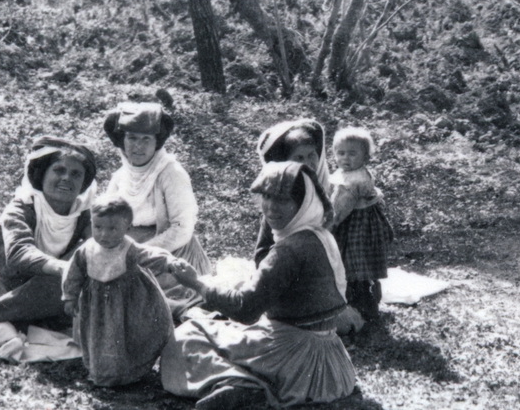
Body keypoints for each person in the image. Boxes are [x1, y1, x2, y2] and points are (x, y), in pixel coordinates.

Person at [160, 161, 355, 409]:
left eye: (283, 200)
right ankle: (246, 384)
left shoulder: (289, 249)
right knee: (218, 326)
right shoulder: (319, 235)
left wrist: (196, 283)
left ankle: (243, 385)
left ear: (302, 202)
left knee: (189, 334)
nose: (271, 207)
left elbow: (245, 310)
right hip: (331, 363)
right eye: (266, 197)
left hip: (293, 356)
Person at [0, 135, 100, 330]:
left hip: (50, 286)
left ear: (83, 182)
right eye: (59, 170)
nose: (67, 178)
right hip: (12, 282)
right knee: (60, 284)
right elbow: (19, 253)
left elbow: (99, 245)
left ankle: (28, 318)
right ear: (42, 175)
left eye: (76, 174)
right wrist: (63, 268)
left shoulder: (82, 213)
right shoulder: (22, 207)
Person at [62, 194, 198, 387]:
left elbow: (149, 254)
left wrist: (169, 262)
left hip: (127, 302)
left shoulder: (128, 248)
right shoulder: (86, 251)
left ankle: (129, 369)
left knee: (126, 335)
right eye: (98, 227)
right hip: (97, 306)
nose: (103, 234)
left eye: (112, 229)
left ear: (127, 228)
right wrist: (70, 296)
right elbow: (73, 273)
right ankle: (103, 371)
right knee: (101, 336)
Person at [102, 101, 212, 276]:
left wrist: (137, 253)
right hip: (129, 251)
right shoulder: (120, 176)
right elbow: (105, 219)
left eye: (146, 139)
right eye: (132, 138)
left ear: (157, 142)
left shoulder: (171, 173)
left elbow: (182, 229)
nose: (138, 146)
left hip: (172, 256)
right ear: (122, 141)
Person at [328, 126, 392, 323]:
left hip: (357, 224)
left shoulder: (352, 181)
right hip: (362, 220)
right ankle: (363, 300)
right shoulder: (349, 173)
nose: (346, 158)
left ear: (365, 157)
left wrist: (330, 224)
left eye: (352, 154)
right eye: (341, 153)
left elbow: (340, 209)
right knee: (358, 263)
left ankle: (363, 305)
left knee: (354, 262)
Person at [252, 118, 328, 264]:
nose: (307, 163)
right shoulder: (279, 199)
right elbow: (261, 253)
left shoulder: (331, 189)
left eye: (311, 155)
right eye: (299, 158)